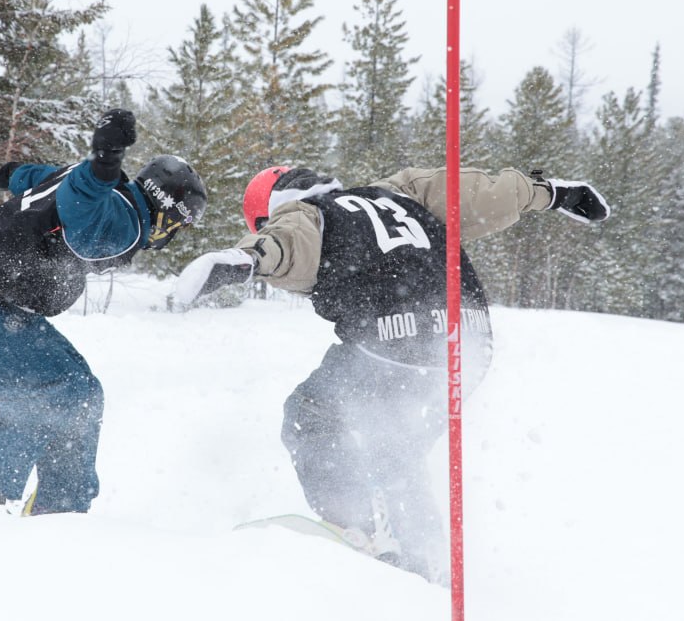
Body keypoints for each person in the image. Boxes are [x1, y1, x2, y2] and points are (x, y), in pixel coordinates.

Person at [174, 163, 608, 582]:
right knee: (398, 448)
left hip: (393, 342)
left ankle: (358, 527)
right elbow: (480, 194)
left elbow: (289, 241)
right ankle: (422, 554)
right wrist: (553, 194)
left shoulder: (307, 213)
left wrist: (246, 258)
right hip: (466, 343)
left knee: (310, 413)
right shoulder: (401, 191)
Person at [0, 108, 205, 515]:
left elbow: (47, 178)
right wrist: (106, 158)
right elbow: (82, 198)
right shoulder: (118, 220)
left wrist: (14, 174)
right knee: (53, 392)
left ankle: (62, 510)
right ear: (165, 215)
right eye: (178, 226)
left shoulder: (108, 194)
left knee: (81, 392)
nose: (173, 235)